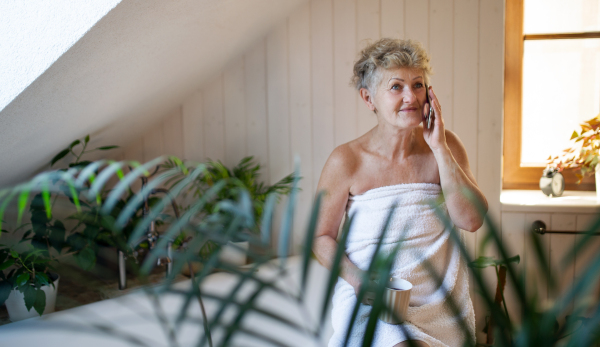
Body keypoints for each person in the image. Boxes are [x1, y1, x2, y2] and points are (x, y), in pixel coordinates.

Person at [312, 38, 488, 347]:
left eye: (418, 85)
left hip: (437, 299)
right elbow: (320, 236)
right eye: (396, 87)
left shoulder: (446, 145)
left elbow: (471, 220)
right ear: (369, 99)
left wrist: (439, 148)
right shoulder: (347, 160)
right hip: (372, 297)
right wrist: (356, 279)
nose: (411, 97)